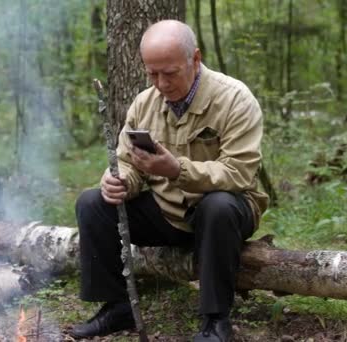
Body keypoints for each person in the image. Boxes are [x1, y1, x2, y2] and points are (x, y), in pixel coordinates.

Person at [70, 19, 268, 341]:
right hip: (167, 211)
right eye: (152, 73)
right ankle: (119, 308)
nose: (161, 83)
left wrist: (177, 170)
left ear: (195, 59)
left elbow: (239, 173)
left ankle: (216, 322)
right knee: (93, 203)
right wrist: (119, 180)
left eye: (170, 73)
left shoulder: (234, 99)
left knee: (216, 206)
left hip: (226, 211)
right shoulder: (144, 104)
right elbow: (127, 161)